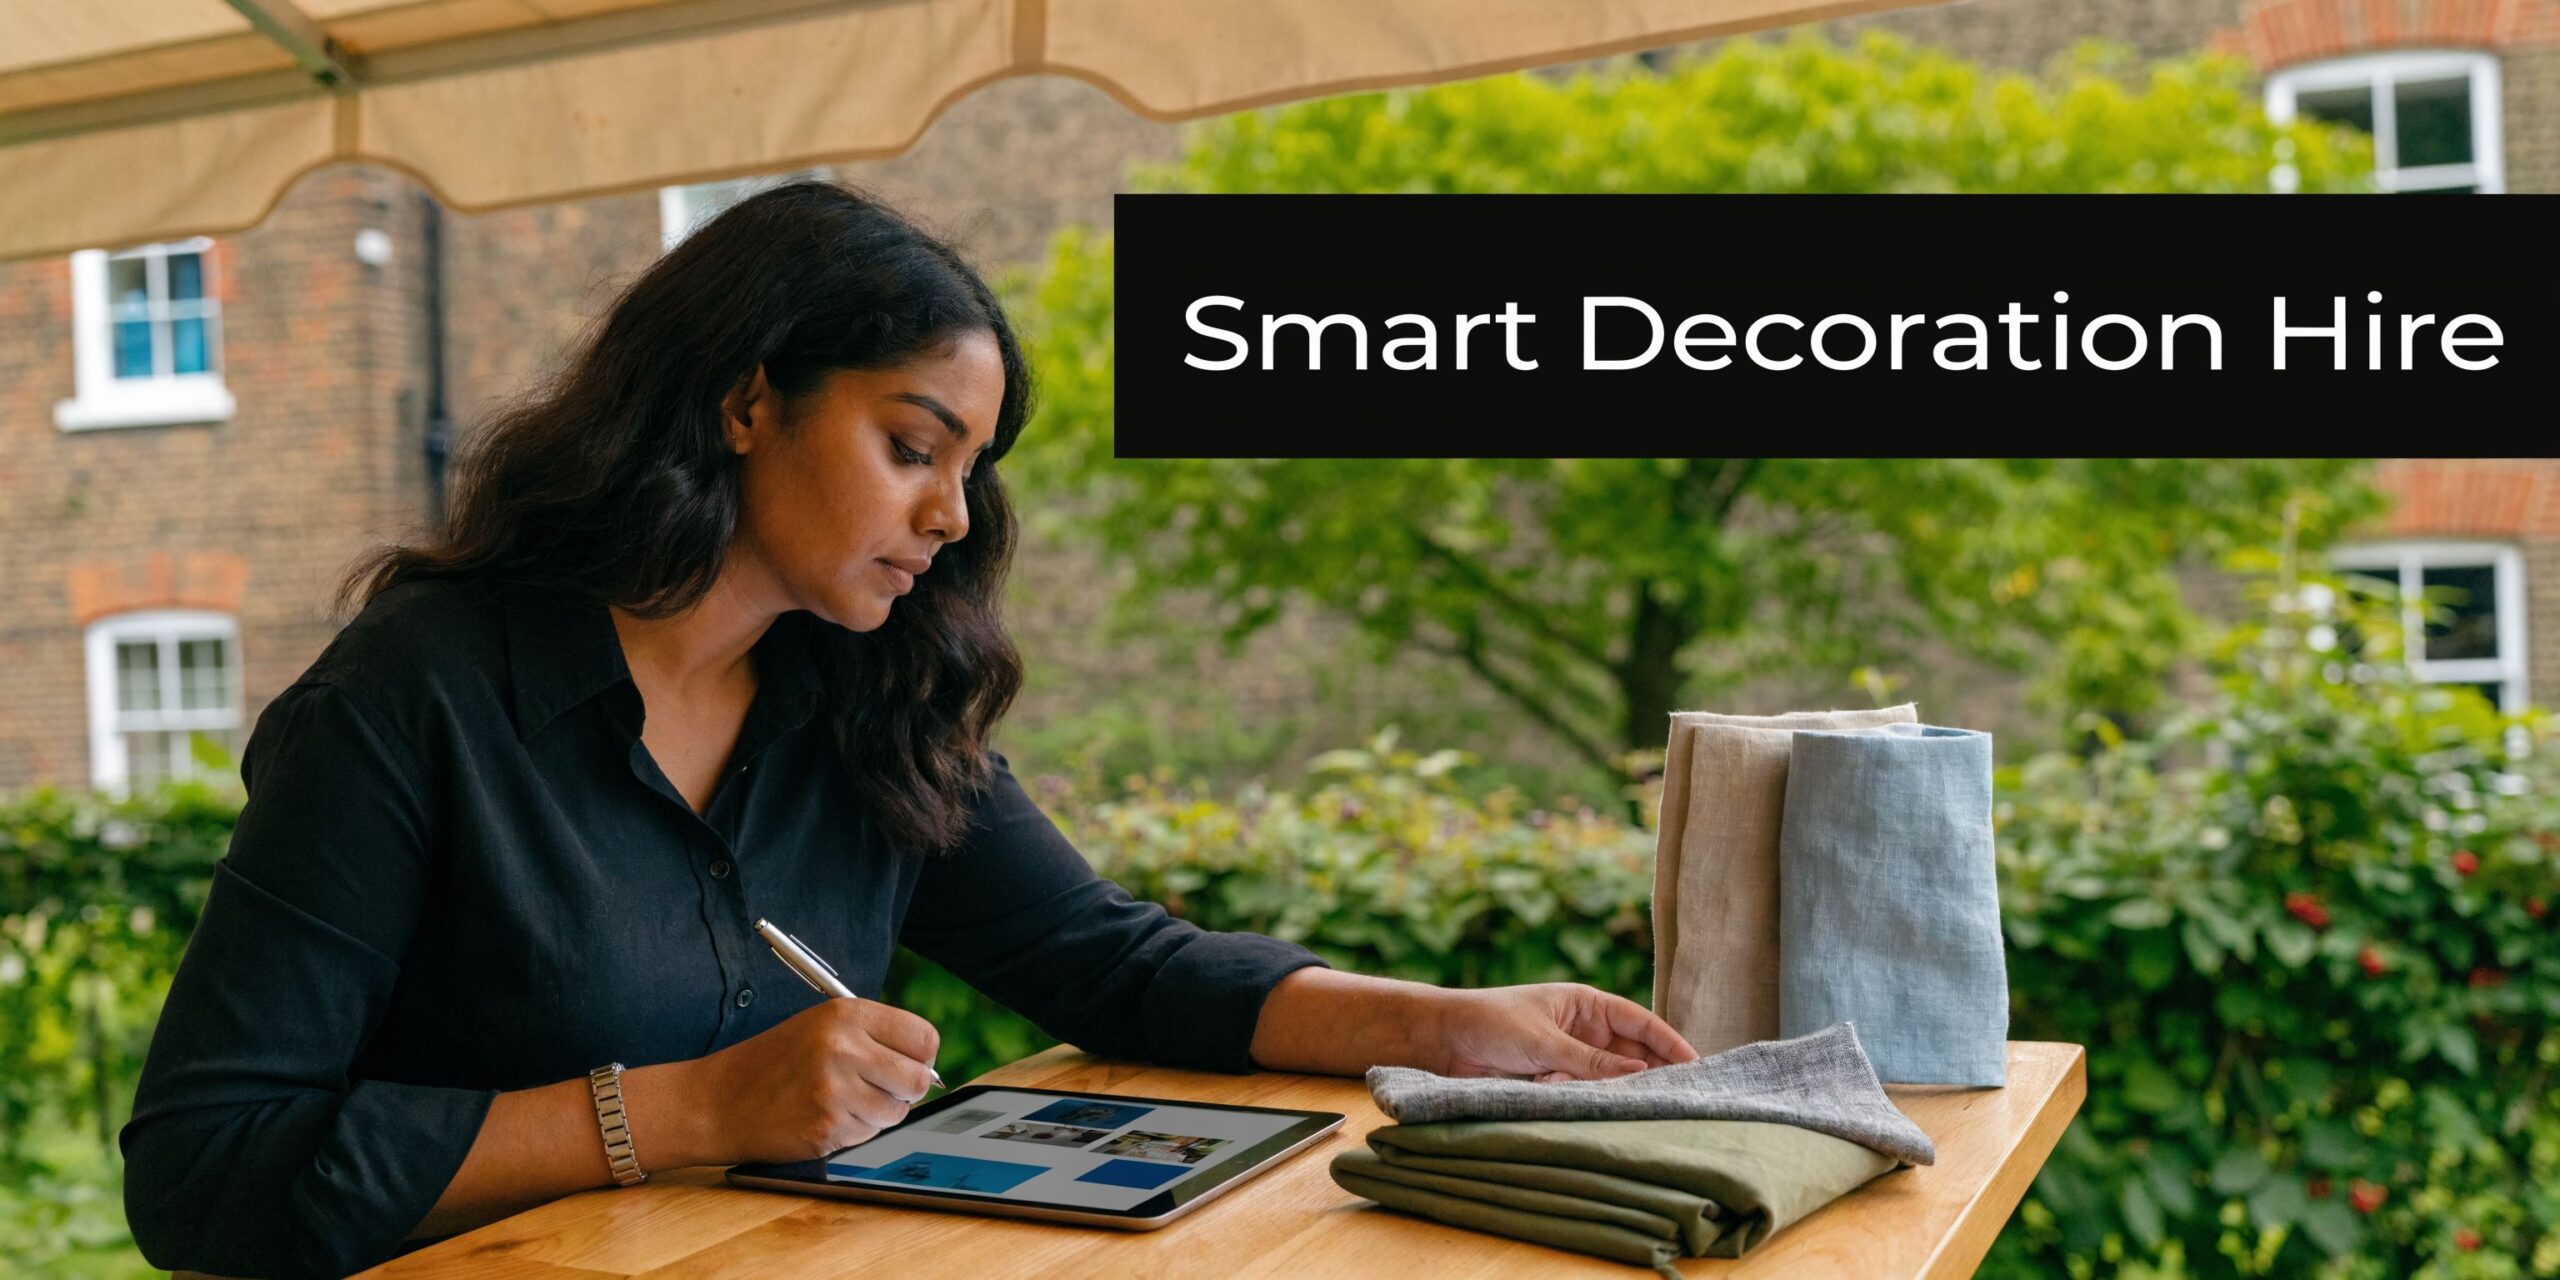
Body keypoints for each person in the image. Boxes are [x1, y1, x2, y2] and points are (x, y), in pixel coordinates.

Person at [119, 182, 1697, 1280]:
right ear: (746, 403)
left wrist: (1439, 1022)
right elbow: (205, 1173)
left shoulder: (862, 701)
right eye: (910, 446)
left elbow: (1111, 963)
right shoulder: (414, 701)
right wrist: (686, 1109)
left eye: (972, 470)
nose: (950, 516)